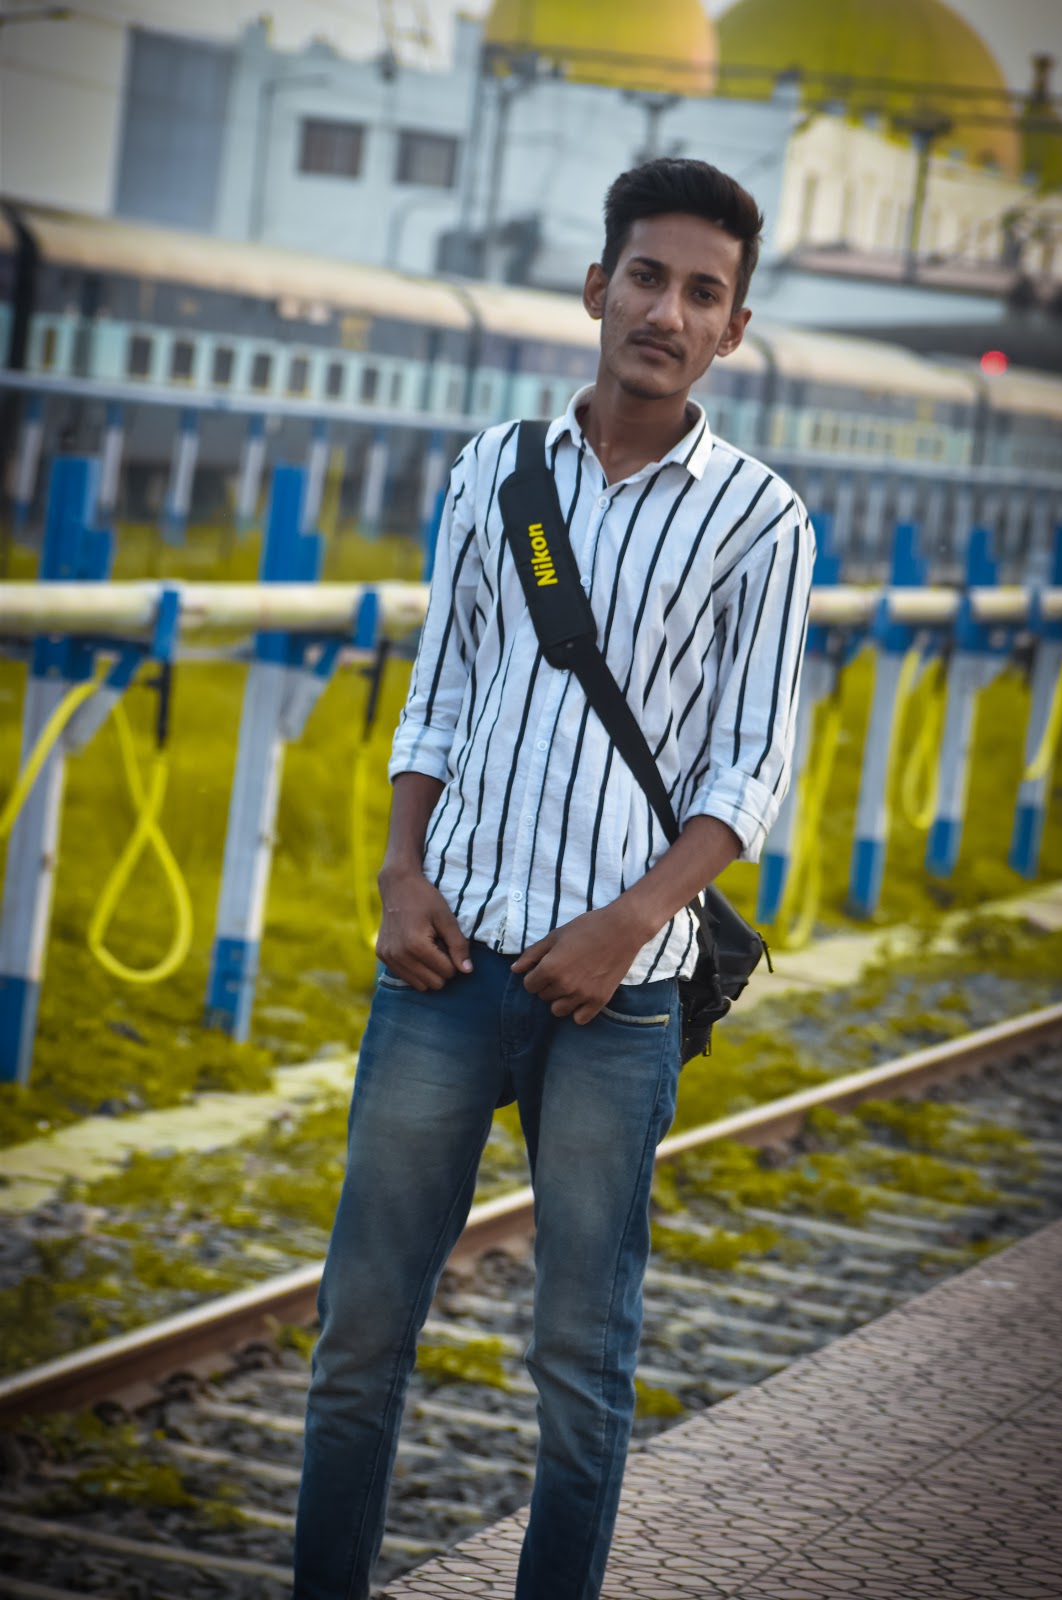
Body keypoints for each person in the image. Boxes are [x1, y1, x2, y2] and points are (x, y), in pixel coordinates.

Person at [293, 157, 814, 1600]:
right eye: (645, 276)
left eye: (701, 292)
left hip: (620, 1002)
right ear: (598, 288)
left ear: (733, 329)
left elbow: (750, 769)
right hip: (446, 966)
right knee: (357, 1341)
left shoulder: (761, 520)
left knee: (582, 1365)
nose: (666, 311)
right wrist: (400, 873)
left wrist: (628, 926)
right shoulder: (495, 472)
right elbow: (439, 698)